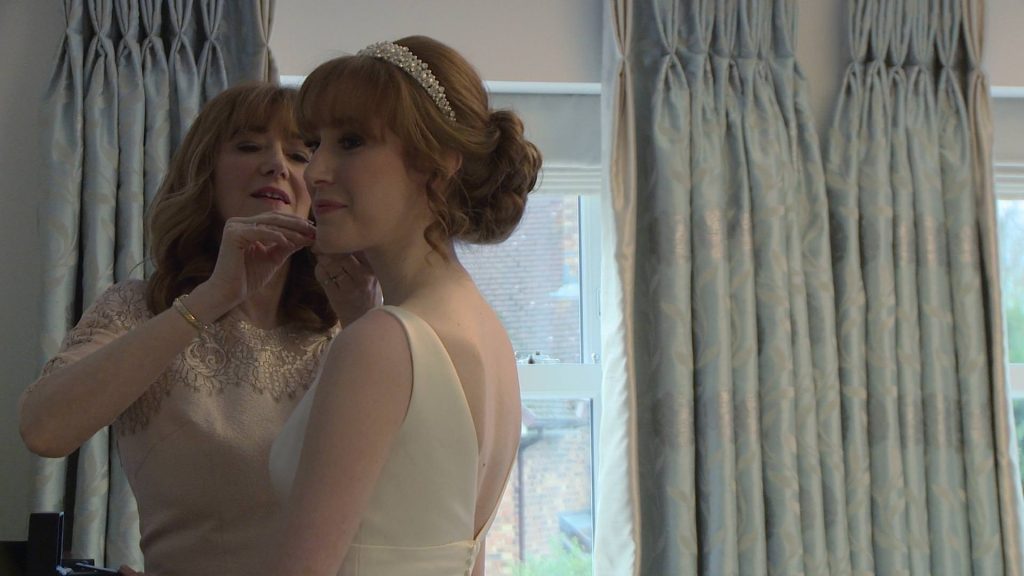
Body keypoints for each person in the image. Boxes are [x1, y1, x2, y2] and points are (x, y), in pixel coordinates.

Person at [18, 82, 377, 576]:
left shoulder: (345, 326)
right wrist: (212, 298)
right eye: (249, 146)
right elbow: (43, 429)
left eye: (299, 155)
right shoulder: (139, 309)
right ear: (205, 173)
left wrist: (364, 324)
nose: (276, 164)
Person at [267, 35, 542, 576]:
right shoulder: (483, 330)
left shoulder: (382, 344)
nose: (314, 171)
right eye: (315, 144)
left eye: (351, 142)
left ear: (436, 165)